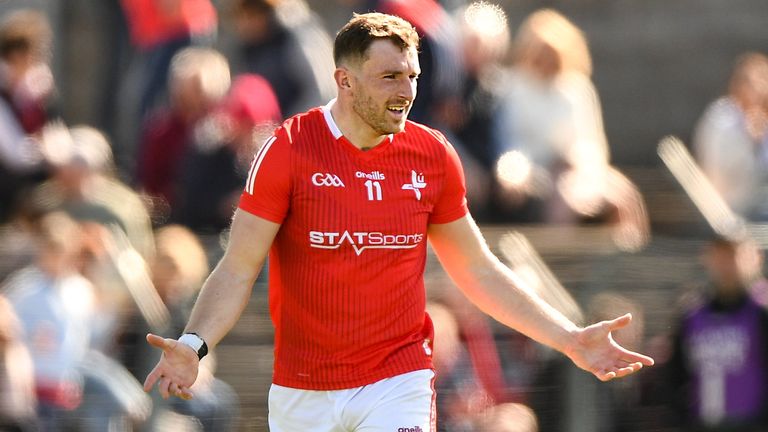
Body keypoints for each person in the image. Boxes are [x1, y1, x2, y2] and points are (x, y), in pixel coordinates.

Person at [142, 13, 654, 431]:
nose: (406, 91)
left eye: (412, 76)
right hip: (304, 389)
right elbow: (236, 268)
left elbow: (477, 269)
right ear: (344, 79)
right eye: (389, 76)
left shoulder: (431, 155)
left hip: (398, 380)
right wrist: (193, 345)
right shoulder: (288, 150)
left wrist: (569, 338)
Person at [666, 236, 768, 431]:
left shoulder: (761, 312)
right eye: (720, 257)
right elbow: (676, 373)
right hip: (704, 422)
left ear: (755, 258)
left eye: (733, 256)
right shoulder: (691, 314)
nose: (726, 266)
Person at [692, 52, 768, 221]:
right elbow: (717, 173)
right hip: (733, 209)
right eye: (755, 81)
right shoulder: (721, 119)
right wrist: (748, 141)